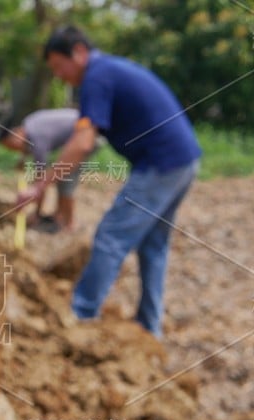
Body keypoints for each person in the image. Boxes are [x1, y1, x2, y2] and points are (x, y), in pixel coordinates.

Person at [18, 25, 201, 337]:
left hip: (161, 164)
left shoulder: (97, 77)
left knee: (110, 237)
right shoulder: (107, 70)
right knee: (153, 246)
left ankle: (80, 318)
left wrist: (40, 186)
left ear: (78, 52)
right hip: (183, 161)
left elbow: (82, 143)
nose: (59, 75)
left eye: (58, 67)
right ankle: (149, 327)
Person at [0, 108, 92, 232]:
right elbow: (26, 148)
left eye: (12, 146)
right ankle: (59, 218)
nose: (15, 150)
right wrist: (23, 158)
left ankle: (70, 224)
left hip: (88, 133)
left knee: (65, 177)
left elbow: (41, 179)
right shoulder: (30, 125)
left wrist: (36, 212)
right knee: (60, 176)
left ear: (16, 134)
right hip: (83, 128)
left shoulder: (37, 138)